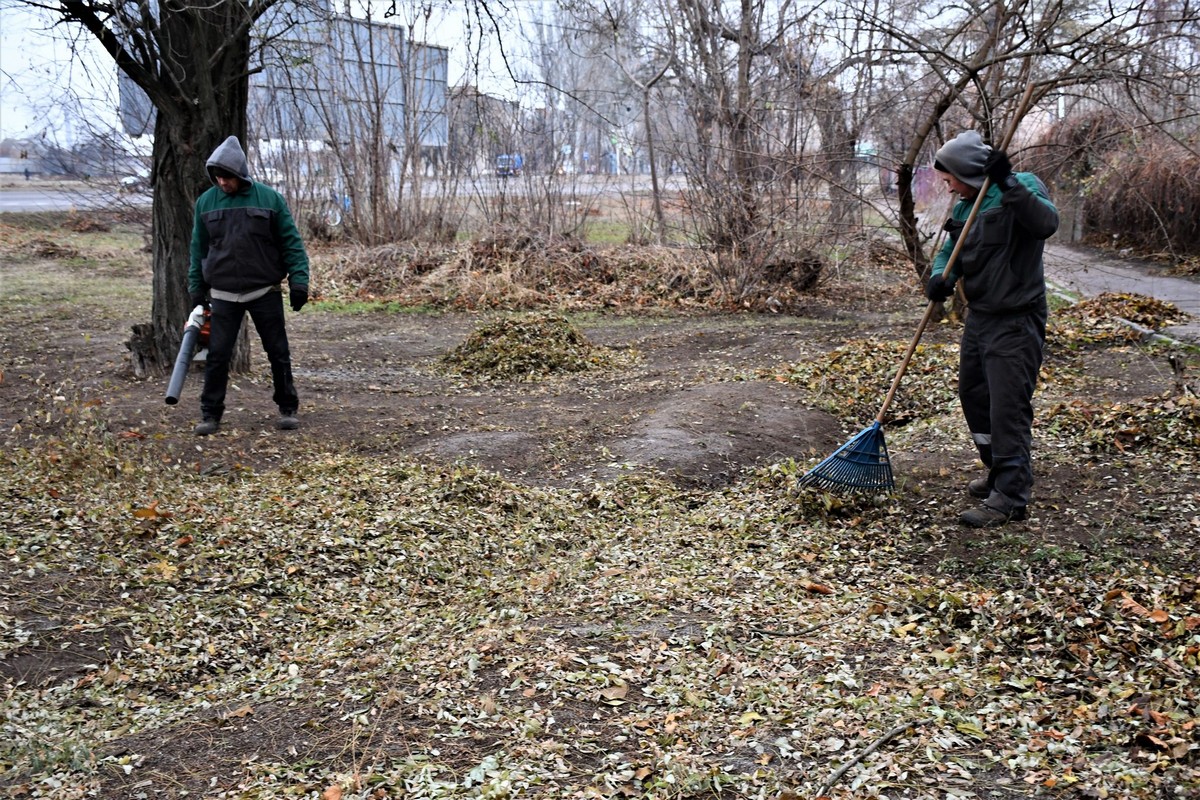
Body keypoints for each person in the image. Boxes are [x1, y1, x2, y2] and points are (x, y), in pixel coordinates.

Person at [925, 131, 1059, 528]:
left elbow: (1045, 224)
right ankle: (998, 471)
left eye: (950, 176)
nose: (947, 184)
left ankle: (1011, 497)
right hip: (980, 317)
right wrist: (939, 276)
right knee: (975, 396)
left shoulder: (1021, 187)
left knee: (1007, 407)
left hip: (1017, 318)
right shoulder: (966, 206)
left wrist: (1007, 181)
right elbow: (952, 250)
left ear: (969, 170)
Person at [188, 136, 310, 436]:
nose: (222, 182)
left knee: (277, 351)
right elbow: (198, 249)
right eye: (217, 176)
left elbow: (291, 243)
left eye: (227, 176)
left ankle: (288, 408)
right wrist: (196, 287)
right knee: (217, 355)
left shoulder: (269, 199)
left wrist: (299, 281)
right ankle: (210, 414)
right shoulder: (206, 202)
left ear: (240, 174)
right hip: (224, 293)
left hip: (263, 290)